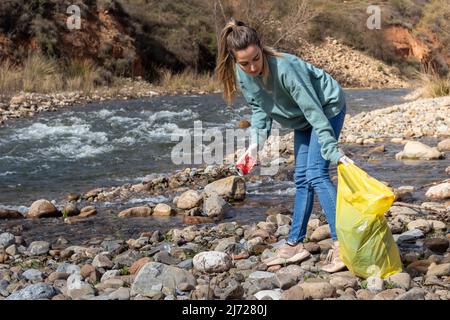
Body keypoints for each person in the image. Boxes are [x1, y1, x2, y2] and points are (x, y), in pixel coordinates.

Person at [215, 18, 354, 273]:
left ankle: (343, 245)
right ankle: (295, 244)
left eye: (256, 58)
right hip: (300, 118)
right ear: (235, 60)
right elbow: (259, 109)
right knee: (301, 178)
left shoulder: (285, 68)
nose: (253, 67)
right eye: (245, 63)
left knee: (316, 173)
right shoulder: (242, 73)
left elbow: (314, 110)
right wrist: (254, 146)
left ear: (261, 48)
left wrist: (333, 150)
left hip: (326, 108)